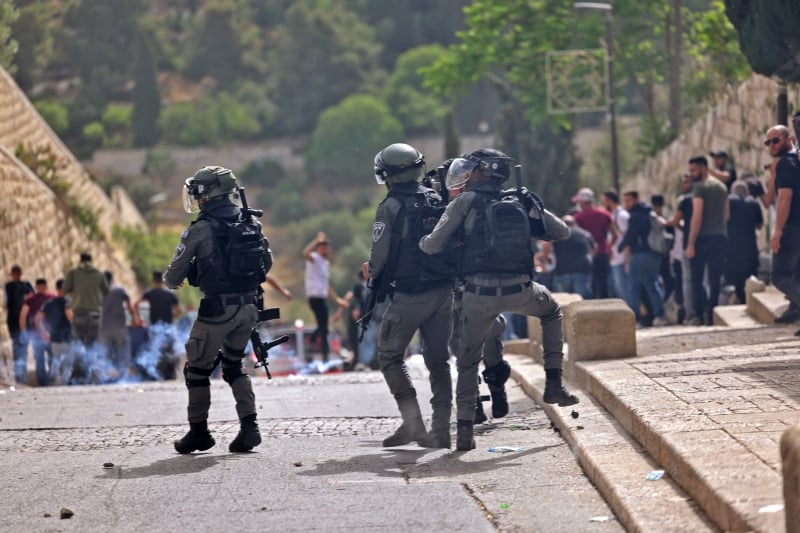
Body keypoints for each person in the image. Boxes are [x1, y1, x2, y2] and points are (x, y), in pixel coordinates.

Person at [420, 148, 578, 451]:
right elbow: (562, 232)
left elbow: (432, 245)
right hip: (521, 289)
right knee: (551, 311)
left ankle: (465, 431)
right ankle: (554, 382)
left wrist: (424, 239)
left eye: (473, 169)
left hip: (478, 295)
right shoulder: (517, 199)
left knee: (467, 361)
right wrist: (528, 202)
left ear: (482, 172)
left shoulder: (464, 201)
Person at [164, 165, 273, 454]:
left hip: (216, 311)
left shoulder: (200, 228)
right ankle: (250, 428)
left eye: (199, 193)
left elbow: (173, 275)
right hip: (249, 308)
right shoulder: (252, 223)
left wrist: (180, 278)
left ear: (208, 195)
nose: (197, 199)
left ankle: (199, 432)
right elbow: (267, 264)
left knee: (197, 370)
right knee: (234, 365)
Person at [367, 143, 457, 449]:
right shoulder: (435, 198)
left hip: (409, 294)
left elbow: (378, 258)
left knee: (390, 355)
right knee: (438, 360)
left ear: (388, 174)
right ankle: (442, 430)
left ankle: (413, 423)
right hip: (443, 292)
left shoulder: (389, 207)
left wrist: (373, 278)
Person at [685, 156, 729, 326]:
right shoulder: (722, 186)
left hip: (702, 238)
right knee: (714, 278)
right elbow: (727, 215)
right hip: (720, 236)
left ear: (703, 167)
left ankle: (698, 313)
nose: (691, 174)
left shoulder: (699, 187)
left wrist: (690, 243)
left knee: (696, 278)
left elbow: (697, 216)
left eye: (694, 170)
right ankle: (712, 312)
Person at [764, 126, 800, 334]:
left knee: (779, 275)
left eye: (775, 140)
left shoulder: (786, 164)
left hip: (792, 227)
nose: (771, 146)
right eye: (767, 143)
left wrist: (778, 231)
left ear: (789, 139)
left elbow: (784, 198)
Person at [616, 191, 669, 327]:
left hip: (639, 254)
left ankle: (636, 319)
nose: (626, 204)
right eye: (625, 200)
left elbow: (631, 235)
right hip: (655, 254)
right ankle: (660, 316)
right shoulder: (651, 213)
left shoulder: (635, 215)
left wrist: (621, 246)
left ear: (636, 200)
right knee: (653, 284)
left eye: (629, 200)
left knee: (633, 287)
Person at [63, 252, 109, 383]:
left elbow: (65, 289)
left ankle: (78, 375)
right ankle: (92, 376)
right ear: (92, 260)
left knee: (78, 344)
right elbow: (106, 291)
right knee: (92, 346)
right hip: (94, 316)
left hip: (78, 316)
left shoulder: (73, 272)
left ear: (80, 260)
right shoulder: (99, 273)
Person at [303, 232, 347, 363]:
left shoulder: (325, 263)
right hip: (314, 297)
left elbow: (326, 286)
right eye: (321, 246)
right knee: (323, 327)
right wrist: (316, 241)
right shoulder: (315, 258)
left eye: (326, 246)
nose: (324, 249)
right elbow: (305, 253)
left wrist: (337, 300)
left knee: (323, 327)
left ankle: (320, 351)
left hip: (322, 297)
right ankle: (319, 349)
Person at [135, 271, 182, 380]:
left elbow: (136, 304)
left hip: (155, 328)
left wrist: (138, 318)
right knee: (172, 351)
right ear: (163, 280)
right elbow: (179, 310)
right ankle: (171, 374)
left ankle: (154, 375)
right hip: (169, 328)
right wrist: (172, 316)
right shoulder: (170, 294)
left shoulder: (150, 293)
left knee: (154, 351)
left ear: (153, 281)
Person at [573, 187, 616, 298]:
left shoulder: (578, 217)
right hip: (603, 252)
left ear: (582, 202)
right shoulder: (605, 214)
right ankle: (607, 310)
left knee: (590, 284)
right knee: (604, 283)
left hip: (587, 256)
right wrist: (609, 247)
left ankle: (592, 313)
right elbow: (614, 235)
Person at [725, 181, 763, 305]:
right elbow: (759, 225)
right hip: (750, 245)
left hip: (732, 245)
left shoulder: (729, 201)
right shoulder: (753, 203)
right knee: (751, 273)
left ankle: (739, 296)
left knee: (736, 274)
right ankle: (749, 299)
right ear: (746, 191)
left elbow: (725, 218)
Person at [100, 271, 139, 381]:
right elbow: (129, 306)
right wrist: (135, 319)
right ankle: (123, 379)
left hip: (105, 330)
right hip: (119, 329)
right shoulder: (119, 290)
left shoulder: (100, 292)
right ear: (112, 279)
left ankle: (106, 378)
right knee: (124, 354)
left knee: (106, 355)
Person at [36, 279, 73, 385]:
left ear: (56, 289)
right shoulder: (67, 301)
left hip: (54, 337)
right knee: (67, 363)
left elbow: (37, 318)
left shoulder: (49, 302)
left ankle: (52, 379)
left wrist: (44, 332)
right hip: (67, 337)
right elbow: (69, 315)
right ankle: (64, 383)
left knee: (56, 359)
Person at [19, 279, 55, 386]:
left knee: (39, 360)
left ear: (36, 286)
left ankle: (43, 383)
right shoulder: (52, 297)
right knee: (51, 358)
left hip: (36, 334)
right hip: (49, 333)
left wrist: (23, 331)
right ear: (46, 286)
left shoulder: (30, 299)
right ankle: (51, 381)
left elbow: (23, 315)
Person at [552, 215, 594, 299]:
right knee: (583, 300)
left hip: (562, 270)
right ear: (575, 223)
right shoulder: (585, 233)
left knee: (563, 301)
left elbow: (547, 248)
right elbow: (594, 249)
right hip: (582, 269)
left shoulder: (557, 234)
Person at [5, 265, 34, 384]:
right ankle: (19, 376)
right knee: (18, 350)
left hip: (22, 322)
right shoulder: (10, 286)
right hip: (15, 322)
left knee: (22, 349)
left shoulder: (24, 286)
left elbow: (32, 299)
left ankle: (21, 376)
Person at [601, 191, 628, 300]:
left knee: (623, 288)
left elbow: (626, 237)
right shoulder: (612, 215)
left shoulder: (621, 216)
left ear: (609, 200)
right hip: (615, 257)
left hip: (621, 257)